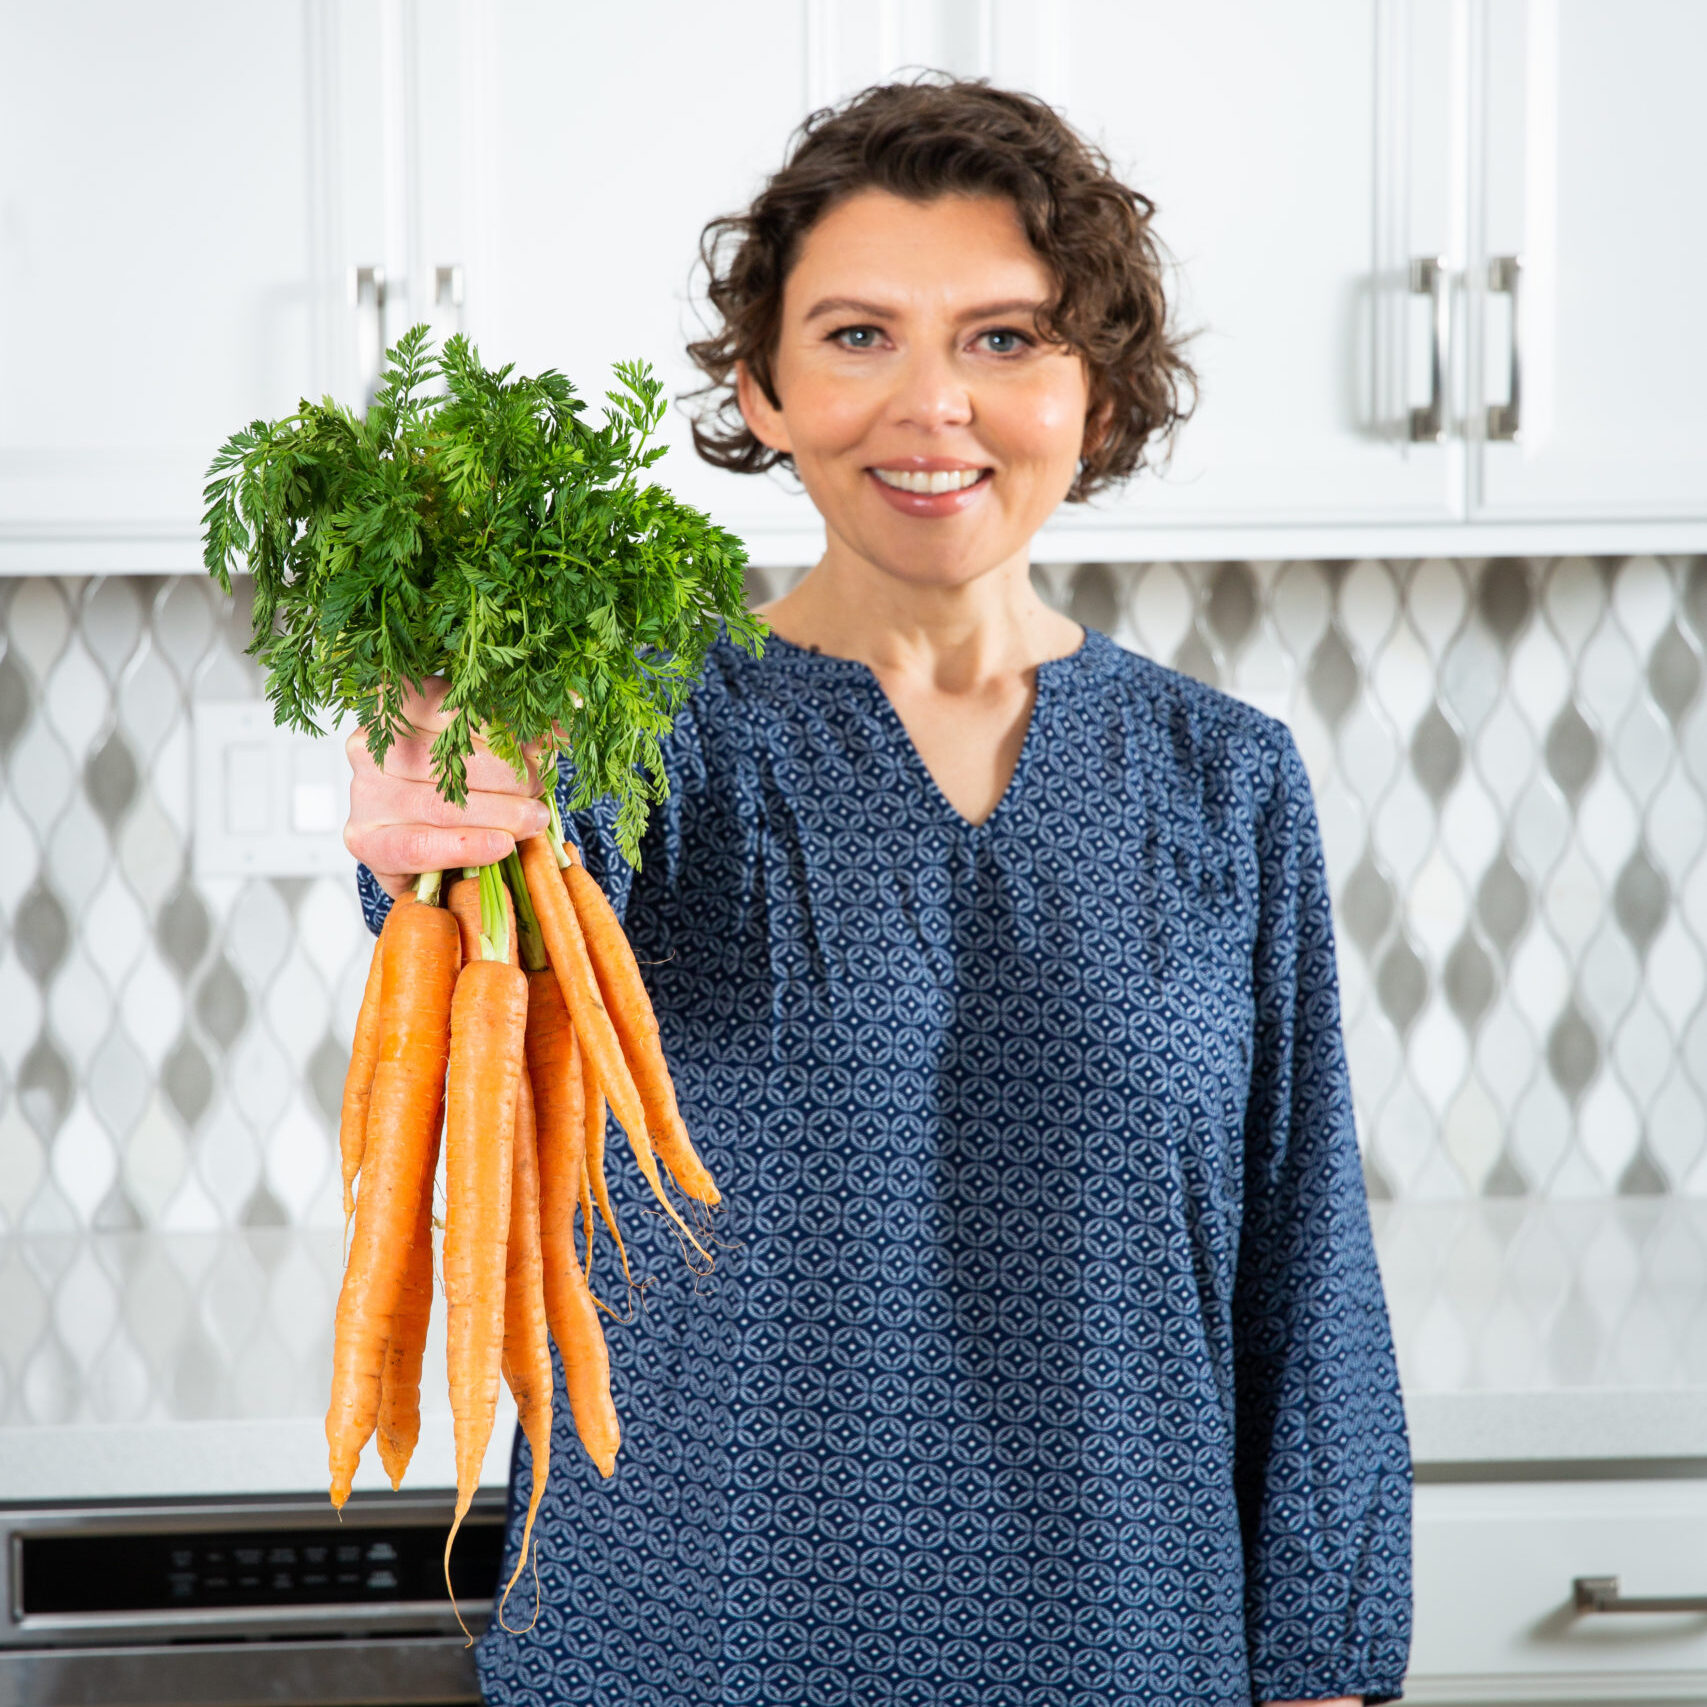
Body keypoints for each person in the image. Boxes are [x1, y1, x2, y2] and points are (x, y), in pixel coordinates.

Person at [347, 79, 1412, 1707]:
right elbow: (495, 906)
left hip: (1124, 1648)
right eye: (858, 337)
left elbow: (1303, 1274)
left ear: (1099, 396)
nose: (933, 405)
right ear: (763, 389)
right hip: (693, 1643)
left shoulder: (1227, 779)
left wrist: (1326, 1670)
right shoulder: (628, 734)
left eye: (1005, 339)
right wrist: (436, 807)